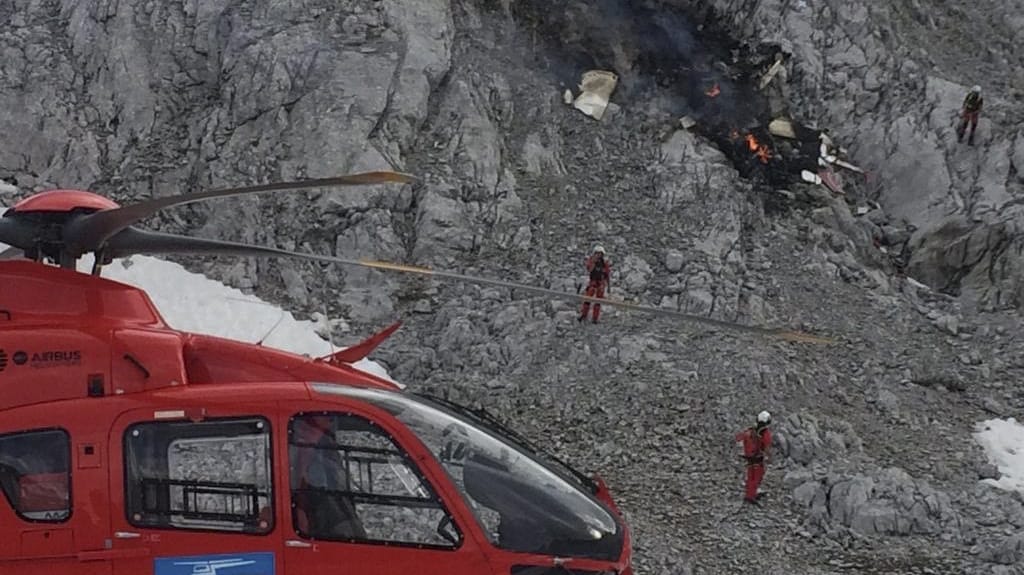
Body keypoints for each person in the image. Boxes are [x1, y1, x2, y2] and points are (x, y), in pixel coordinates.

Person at [735, 410, 772, 505]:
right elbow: (767, 447)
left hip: (749, 457)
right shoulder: (765, 432)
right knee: (757, 476)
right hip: (758, 458)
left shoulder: (752, 429)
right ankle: (751, 496)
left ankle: (750, 493)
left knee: (750, 475)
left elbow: (739, 437)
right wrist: (769, 457)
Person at [578, 245, 611, 323]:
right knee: (587, 300)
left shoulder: (604, 264)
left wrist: (609, 287)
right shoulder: (591, 261)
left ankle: (595, 318)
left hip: (601, 283)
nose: (599, 255)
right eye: (597, 253)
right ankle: (584, 315)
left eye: (600, 254)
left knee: (598, 302)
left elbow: (607, 275)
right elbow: (589, 269)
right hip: (592, 282)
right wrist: (594, 262)